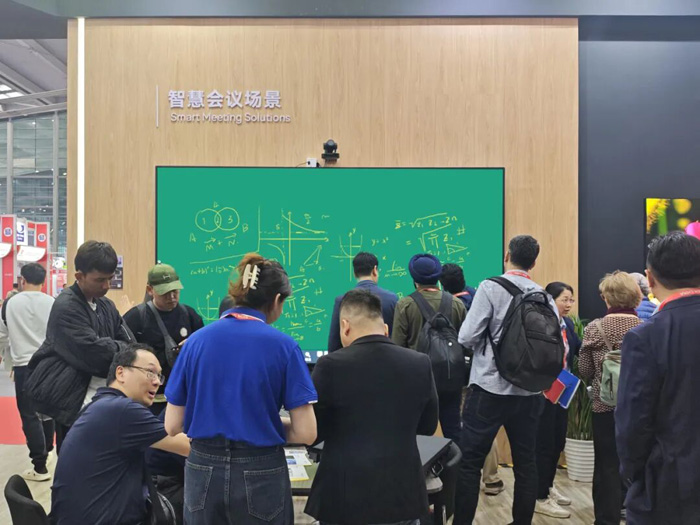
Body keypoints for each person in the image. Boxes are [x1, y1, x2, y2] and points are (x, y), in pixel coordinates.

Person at [165, 253, 317, 525]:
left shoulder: (195, 343)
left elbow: (173, 425)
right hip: (261, 469)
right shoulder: (284, 346)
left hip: (203, 468)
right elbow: (306, 432)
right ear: (276, 300)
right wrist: (265, 423)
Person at [306, 289, 439, 524]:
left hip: (343, 497)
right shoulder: (420, 363)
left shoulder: (329, 366)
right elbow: (427, 426)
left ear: (345, 326)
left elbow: (314, 432)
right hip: (402, 495)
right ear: (385, 328)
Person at [455, 235, 555, 525]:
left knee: (470, 463)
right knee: (526, 463)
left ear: (506, 256)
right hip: (529, 393)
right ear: (533, 263)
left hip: (489, 388)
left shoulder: (490, 287)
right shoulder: (544, 296)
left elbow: (466, 336)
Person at [50, 344, 190, 524]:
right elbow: (192, 448)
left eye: (159, 375)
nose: (157, 382)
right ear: (121, 373)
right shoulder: (122, 410)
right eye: (150, 372)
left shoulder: (100, 405)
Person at [617, 232, 700, 523]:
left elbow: (633, 422)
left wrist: (635, 475)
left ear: (649, 278)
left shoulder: (646, 336)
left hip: (668, 486)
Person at [26, 240, 133, 452]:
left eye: (110, 279)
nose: (106, 286)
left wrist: (116, 347)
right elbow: (95, 354)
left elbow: (131, 345)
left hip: (103, 400)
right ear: (79, 276)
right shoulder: (66, 306)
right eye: (100, 280)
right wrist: (119, 348)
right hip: (72, 403)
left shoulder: (106, 305)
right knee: (74, 459)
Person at [579, 271, 641, 525]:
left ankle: (607, 519)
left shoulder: (595, 328)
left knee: (606, 465)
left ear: (607, 297)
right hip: (638, 408)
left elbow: (585, 370)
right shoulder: (646, 327)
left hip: (604, 406)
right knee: (639, 462)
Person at [392, 253, 466, 441]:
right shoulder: (457, 304)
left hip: (418, 379)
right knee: (453, 430)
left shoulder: (405, 305)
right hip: (451, 377)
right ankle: (455, 461)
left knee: (417, 434)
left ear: (414, 279)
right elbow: (466, 343)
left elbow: (397, 347)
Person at [124, 263, 204, 415]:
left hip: (180, 398)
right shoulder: (136, 317)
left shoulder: (190, 315)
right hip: (145, 401)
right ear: (150, 290)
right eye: (165, 292)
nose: (172, 297)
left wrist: (191, 346)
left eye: (175, 291)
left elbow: (204, 352)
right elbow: (123, 356)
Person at [0, 263, 55, 481]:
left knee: (29, 414)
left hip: (24, 365)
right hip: (49, 364)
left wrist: (8, 360)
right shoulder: (53, 302)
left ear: (22, 280)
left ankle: (39, 467)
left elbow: (2, 334)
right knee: (49, 410)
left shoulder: (10, 303)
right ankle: (48, 451)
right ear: (44, 281)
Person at [533, 281, 582, 518]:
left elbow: (577, 349)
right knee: (543, 444)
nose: (569, 304)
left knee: (556, 442)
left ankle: (548, 485)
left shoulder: (568, 324)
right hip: (543, 393)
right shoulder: (541, 324)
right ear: (550, 300)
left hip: (563, 391)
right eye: (564, 299)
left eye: (571, 300)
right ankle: (539, 496)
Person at [327, 252, 398, 352]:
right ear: (375, 270)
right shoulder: (392, 299)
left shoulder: (342, 301)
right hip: (386, 357)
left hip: (351, 358)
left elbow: (334, 343)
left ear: (354, 273)